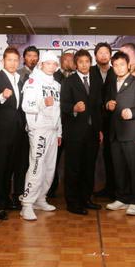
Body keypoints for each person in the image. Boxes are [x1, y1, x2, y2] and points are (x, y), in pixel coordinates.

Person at [0, 47, 26, 220]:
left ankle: (6, 200)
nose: (13, 63)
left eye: (16, 60)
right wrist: (1, 96)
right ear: (3, 61)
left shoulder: (20, 80)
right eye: (10, 60)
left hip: (17, 132)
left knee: (9, 169)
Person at [20, 51, 62, 221]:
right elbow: (26, 105)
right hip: (38, 129)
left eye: (54, 64)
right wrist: (42, 103)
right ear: (41, 64)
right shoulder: (33, 81)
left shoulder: (57, 85)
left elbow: (58, 110)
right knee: (37, 166)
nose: (51, 66)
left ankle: (40, 199)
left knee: (50, 168)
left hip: (52, 130)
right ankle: (27, 204)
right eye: (48, 63)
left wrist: (59, 131)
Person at [60, 49, 103, 215]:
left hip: (92, 133)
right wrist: (74, 108)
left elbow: (98, 108)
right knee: (73, 168)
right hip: (75, 133)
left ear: (90, 62)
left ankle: (86, 199)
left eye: (87, 61)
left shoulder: (96, 80)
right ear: (75, 64)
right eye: (81, 62)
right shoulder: (69, 81)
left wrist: (99, 129)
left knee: (88, 167)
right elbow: (63, 105)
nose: (84, 65)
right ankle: (73, 202)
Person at [105, 51, 135, 216]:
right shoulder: (111, 83)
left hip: (132, 133)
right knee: (119, 168)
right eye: (115, 65)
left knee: (134, 169)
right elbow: (107, 103)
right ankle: (121, 198)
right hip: (115, 133)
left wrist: (132, 112)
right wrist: (107, 105)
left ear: (128, 65)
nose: (118, 67)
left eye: (122, 64)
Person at [91, 42, 117, 200]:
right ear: (95, 56)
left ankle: (111, 188)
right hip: (93, 119)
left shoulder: (116, 71)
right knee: (91, 155)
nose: (103, 55)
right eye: (100, 53)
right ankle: (87, 188)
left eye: (106, 52)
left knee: (111, 155)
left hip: (112, 120)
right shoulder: (91, 71)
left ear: (110, 55)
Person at [49, 51, 75, 197]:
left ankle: (70, 190)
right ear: (62, 61)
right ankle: (51, 188)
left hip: (72, 126)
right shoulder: (53, 77)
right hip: (55, 126)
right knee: (53, 159)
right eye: (67, 60)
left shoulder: (78, 78)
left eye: (72, 60)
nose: (70, 63)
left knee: (71, 161)